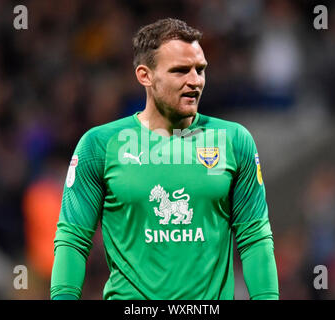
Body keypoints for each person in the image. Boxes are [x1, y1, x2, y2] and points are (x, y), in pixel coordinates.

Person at [50, 18, 279, 300]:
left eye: (200, 69)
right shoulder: (100, 145)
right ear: (145, 75)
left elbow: (255, 239)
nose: (194, 80)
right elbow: (73, 241)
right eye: (181, 71)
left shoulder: (233, 141)